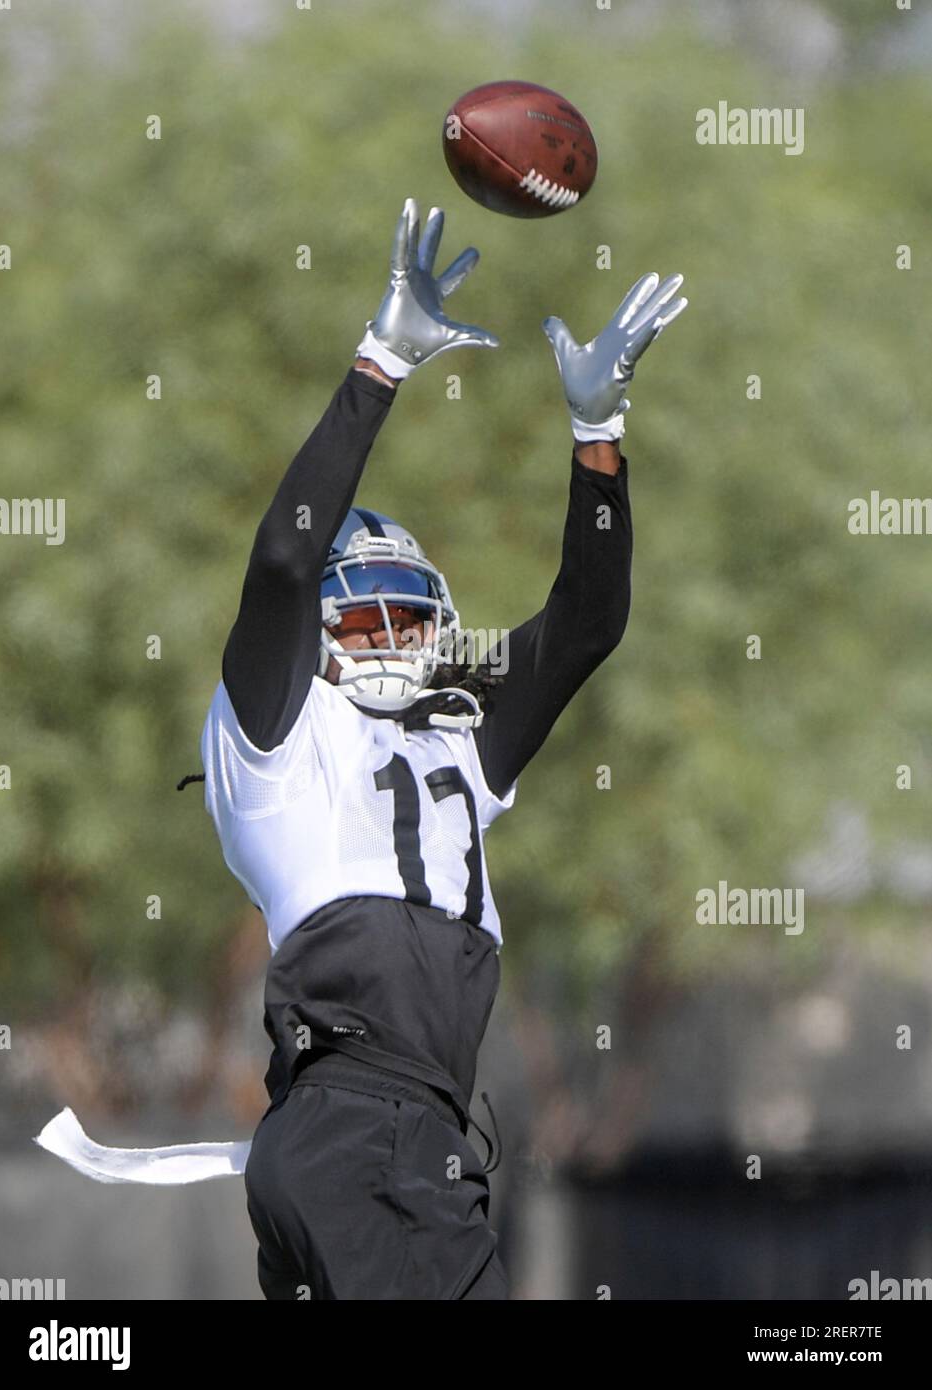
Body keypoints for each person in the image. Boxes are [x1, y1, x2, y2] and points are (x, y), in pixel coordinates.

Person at [200, 197, 687, 1300]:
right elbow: (283, 564)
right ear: (319, 639)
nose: (391, 642)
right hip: (366, 1134)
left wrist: (596, 441)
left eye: (406, 619)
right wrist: (379, 363)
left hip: (390, 1135)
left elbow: (584, 624)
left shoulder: (458, 732)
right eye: (362, 619)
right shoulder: (282, 726)